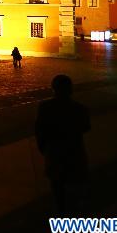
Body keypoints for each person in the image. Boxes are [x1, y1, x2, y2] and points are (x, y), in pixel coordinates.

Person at [35, 75, 91, 221]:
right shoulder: (80, 109)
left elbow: (40, 131)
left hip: (55, 155)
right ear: (71, 90)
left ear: (53, 89)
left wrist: (45, 150)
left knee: (58, 191)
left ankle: (61, 223)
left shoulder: (45, 108)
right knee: (74, 193)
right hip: (75, 155)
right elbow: (86, 127)